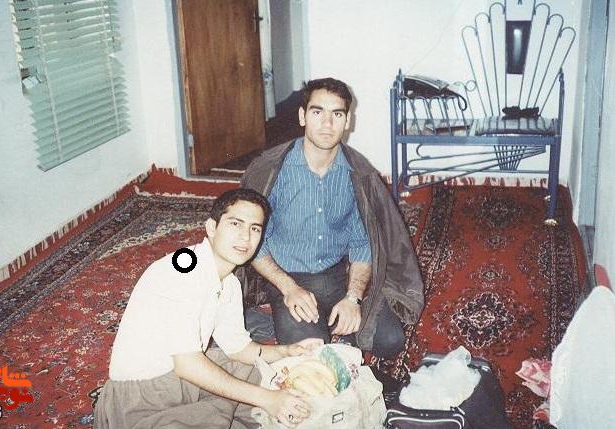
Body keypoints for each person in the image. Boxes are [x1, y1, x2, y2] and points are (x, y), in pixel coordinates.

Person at [94, 189, 323, 429]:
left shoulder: (229, 282)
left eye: (255, 228)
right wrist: (266, 398)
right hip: (142, 396)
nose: (246, 237)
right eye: (236, 224)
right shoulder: (182, 271)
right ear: (212, 228)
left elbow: (239, 349)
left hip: (180, 378)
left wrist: (287, 351)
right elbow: (188, 365)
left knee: (258, 372)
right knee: (257, 393)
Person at [240, 77, 424, 359]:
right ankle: (286, 317)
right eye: (318, 112)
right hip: (287, 277)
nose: (327, 123)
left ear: (347, 121)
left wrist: (353, 298)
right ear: (302, 116)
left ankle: (329, 322)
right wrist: (288, 289)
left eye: (337, 114)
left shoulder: (357, 173)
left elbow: (363, 243)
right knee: (312, 354)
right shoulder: (272, 170)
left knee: (390, 341)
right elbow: (251, 240)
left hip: (337, 276)